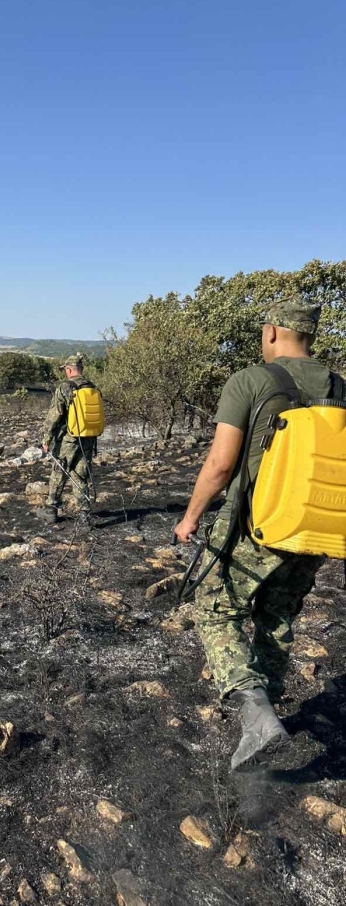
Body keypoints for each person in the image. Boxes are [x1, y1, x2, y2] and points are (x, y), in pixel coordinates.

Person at [174, 299, 342, 770]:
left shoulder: (251, 380)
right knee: (279, 614)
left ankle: (256, 713)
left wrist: (190, 518)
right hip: (318, 529)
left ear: (271, 332)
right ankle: (270, 706)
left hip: (259, 526)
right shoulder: (340, 387)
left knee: (213, 608)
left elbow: (221, 465)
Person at [39, 355, 101, 524]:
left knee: (59, 472)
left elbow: (54, 415)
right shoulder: (92, 387)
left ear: (68, 369)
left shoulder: (65, 387)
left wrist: (46, 439)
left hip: (69, 439)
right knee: (80, 475)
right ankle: (84, 514)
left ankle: (51, 510)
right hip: (88, 438)